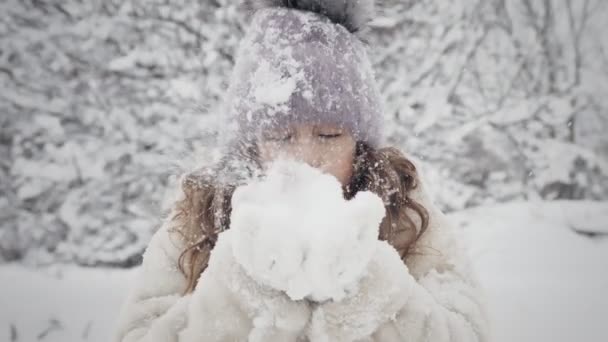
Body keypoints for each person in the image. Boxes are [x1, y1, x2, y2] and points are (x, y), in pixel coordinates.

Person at [114, 1, 490, 341]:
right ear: (251, 144)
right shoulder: (197, 219)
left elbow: (468, 332)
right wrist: (244, 281)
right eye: (280, 136)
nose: (306, 157)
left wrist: (367, 278)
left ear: (359, 146)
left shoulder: (407, 213)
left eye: (328, 134)